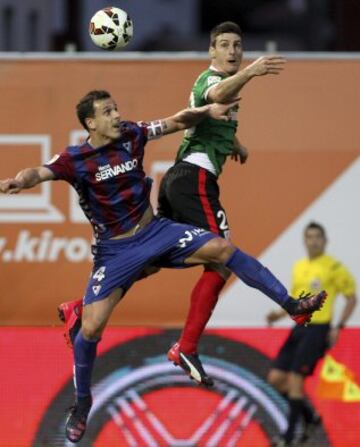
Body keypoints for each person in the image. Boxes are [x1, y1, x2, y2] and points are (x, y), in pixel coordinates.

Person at [0, 90, 326, 443]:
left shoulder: (132, 134)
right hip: (116, 252)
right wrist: (19, 180)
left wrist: (208, 110)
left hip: (156, 232)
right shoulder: (75, 158)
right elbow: (38, 171)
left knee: (221, 249)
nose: (116, 115)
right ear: (90, 123)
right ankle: (82, 403)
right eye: (107, 112)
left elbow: (177, 120)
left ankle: (292, 305)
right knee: (91, 330)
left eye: (115, 108)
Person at [59, 21, 289, 386]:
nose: (232, 51)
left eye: (237, 45)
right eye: (224, 45)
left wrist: (236, 144)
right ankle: (187, 346)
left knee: (152, 260)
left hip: (179, 181)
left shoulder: (222, 86)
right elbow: (214, 96)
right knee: (222, 257)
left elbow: (210, 120)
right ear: (211, 51)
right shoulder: (212, 80)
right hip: (191, 178)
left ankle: (81, 306)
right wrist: (253, 71)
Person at [266, 222, 357, 446]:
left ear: (325, 240)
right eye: (309, 237)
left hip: (318, 330)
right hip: (300, 327)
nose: (313, 240)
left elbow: (351, 297)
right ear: (304, 240)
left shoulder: (334, 267)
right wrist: (278, 315)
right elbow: (297, 301)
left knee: (296, 380)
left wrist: (339, 326)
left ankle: (290, 438)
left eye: (317, 237)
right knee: (275, 378)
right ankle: (310, 416)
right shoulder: (299, 267)